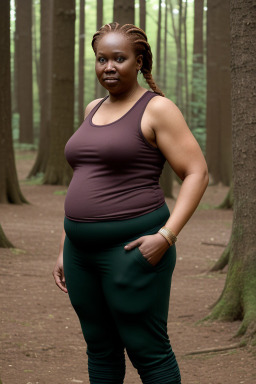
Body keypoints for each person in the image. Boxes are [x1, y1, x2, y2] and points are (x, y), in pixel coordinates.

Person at [53, 22, 209, 384]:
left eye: (119, 58)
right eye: (101, 59)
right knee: (100, 347)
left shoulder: (157, 109)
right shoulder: (93, 107)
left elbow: (197, 173)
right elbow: (85, 178)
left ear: (138, 62)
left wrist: (166, 236)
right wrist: (65, 245)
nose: (108, 66)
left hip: (134, 250)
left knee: (148, 350)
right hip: (80, 254)